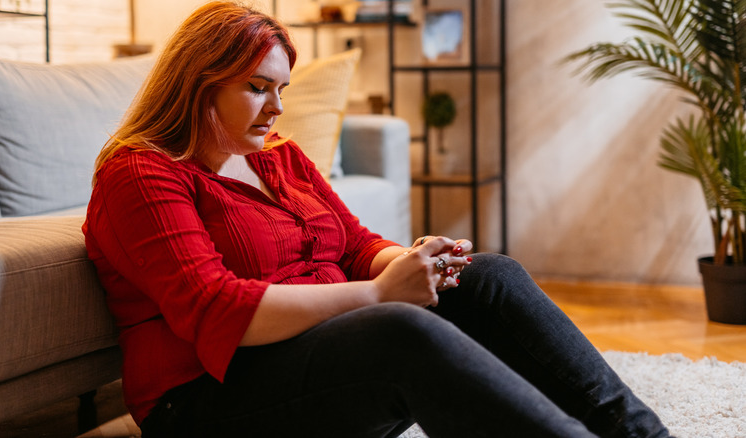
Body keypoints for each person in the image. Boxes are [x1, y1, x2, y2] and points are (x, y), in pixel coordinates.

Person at [83, 2, 671, 437]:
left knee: (488, 276)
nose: (278, 107)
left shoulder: (278, 157)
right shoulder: (141, 174)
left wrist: (414, 264)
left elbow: (357, 244)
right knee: (399, 330)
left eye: (282, 88)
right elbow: (213, 308)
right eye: (257, 87)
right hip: (207, 402)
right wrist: (376, 296)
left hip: (318, 355)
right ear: (197, 84)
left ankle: (642, 435)